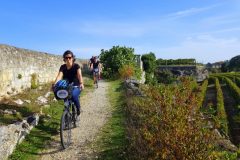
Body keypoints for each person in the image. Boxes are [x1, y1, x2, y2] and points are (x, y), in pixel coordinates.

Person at [53, 50, 84, 115]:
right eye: (66, 58)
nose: (68, 59)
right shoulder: (63, 67)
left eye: (69, 57)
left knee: (73, 96)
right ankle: (66, 115)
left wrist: (81, 83)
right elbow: (59, 76)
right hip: (66, 86)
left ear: (72, 58)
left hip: (76, 85)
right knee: (65, 96)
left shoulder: (76, 66)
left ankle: (78, 109)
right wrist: (54, 84)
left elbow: (79, 75)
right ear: (64, 59)